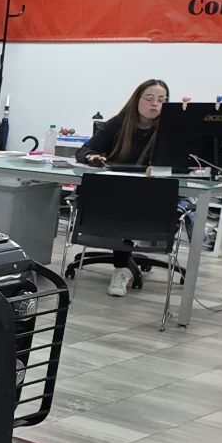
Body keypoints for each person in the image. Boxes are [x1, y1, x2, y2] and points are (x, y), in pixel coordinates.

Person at [74, 79, 192, 296]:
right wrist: (92, 157)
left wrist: (184, 120)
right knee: (123, 205)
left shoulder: (170, 129)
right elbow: (83, 150)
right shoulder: (118, 124)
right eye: (149, 98)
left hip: (155, 195)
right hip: (119, 192)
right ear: (136, 99)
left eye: (161, 100)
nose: (155, 104)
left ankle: (122, 268)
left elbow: (187, 162)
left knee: (135, 206)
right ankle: (122, 268)